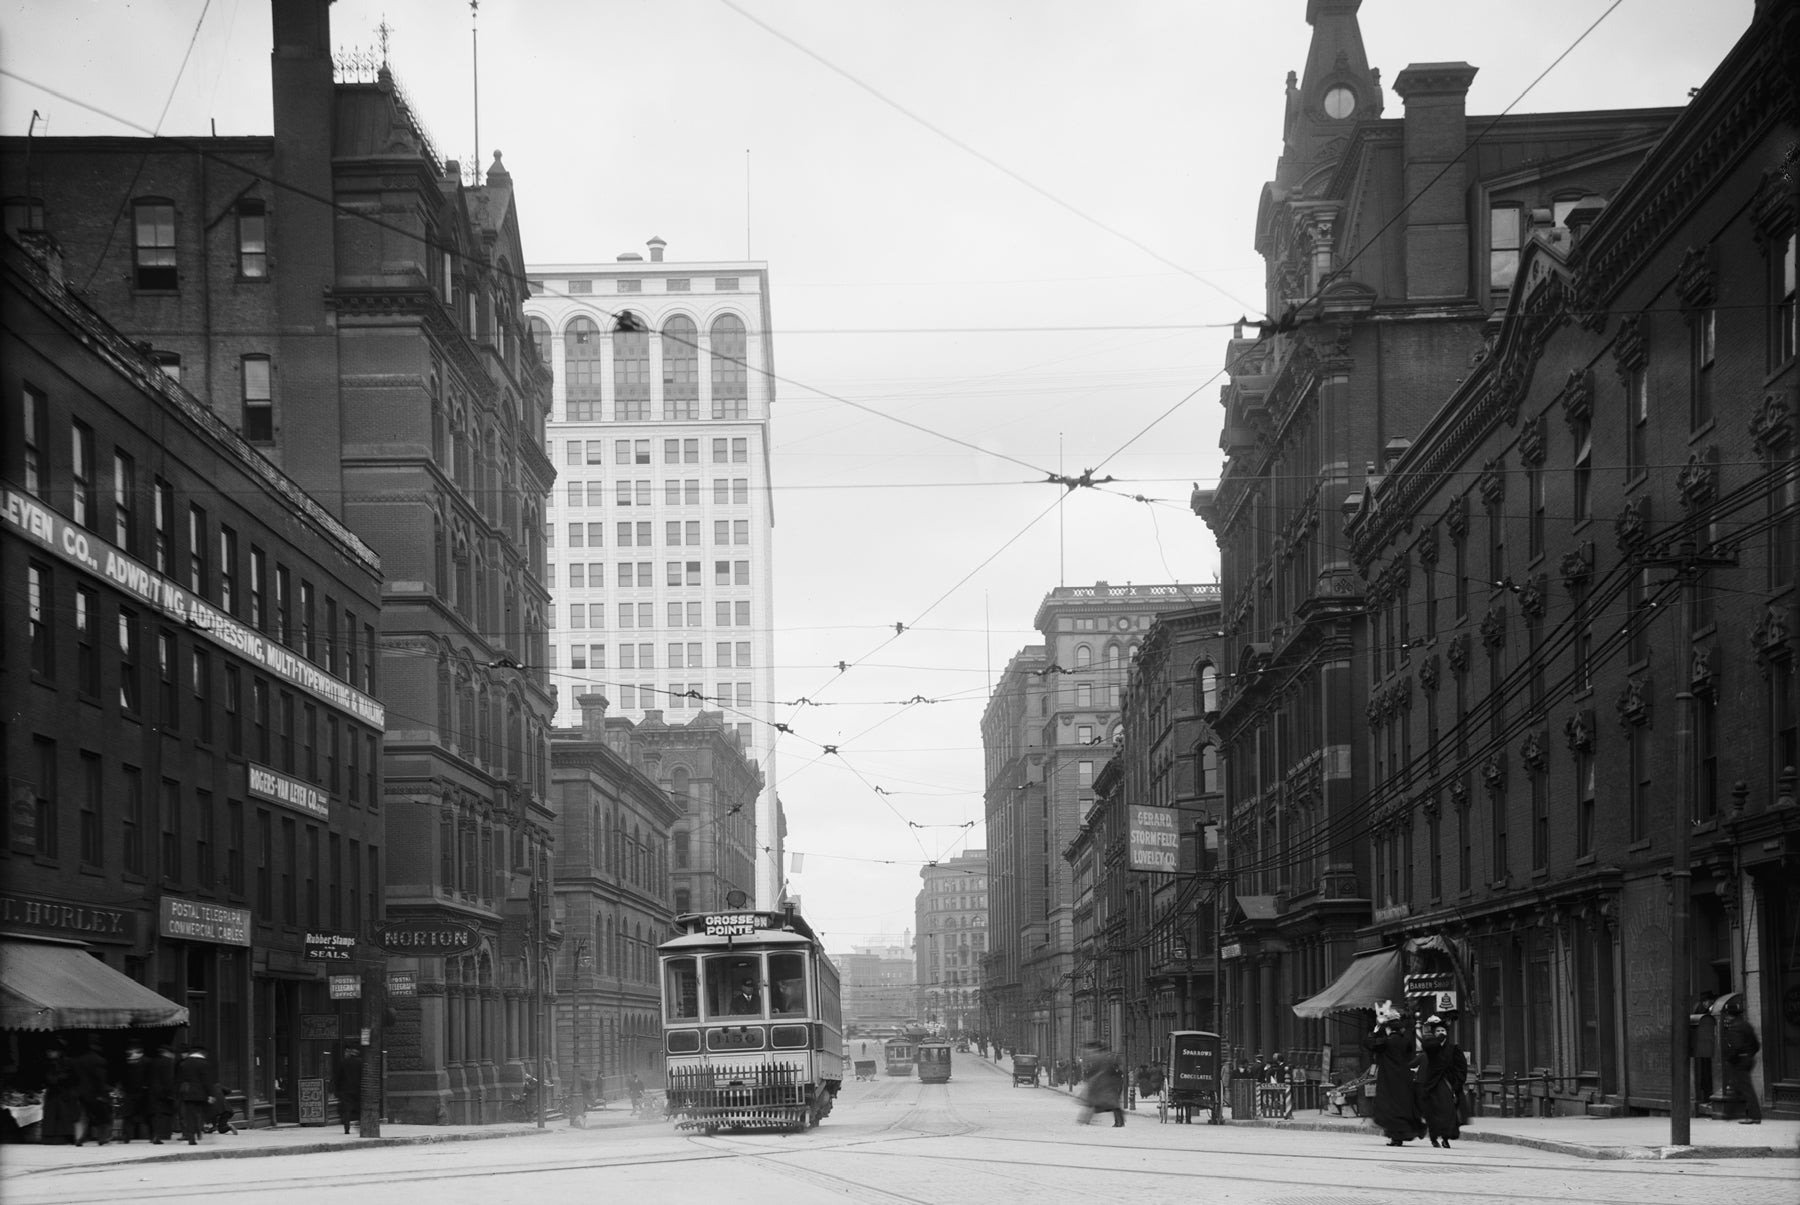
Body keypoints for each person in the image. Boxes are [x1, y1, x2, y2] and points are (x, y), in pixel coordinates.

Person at [1362, 1000, 1424, 1147]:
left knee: (1389, 1107)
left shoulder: (1385, 1042)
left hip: (1389, 1079)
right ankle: (1400, 1135)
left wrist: (1376, 1029)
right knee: (1402, 1106)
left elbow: (1368, 1043)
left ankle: (1395, 1137)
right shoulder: (1406, 1041)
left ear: (1389, 1028)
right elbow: (1411, 1055)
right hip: (1404, 1078)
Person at [1414, 1015, 1468, 1149]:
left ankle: (1445, 1138)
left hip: (1448, 1084)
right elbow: (1428, 1046)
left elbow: (1461, 1068)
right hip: (1433, 1084)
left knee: (1447, 1112)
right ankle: (1433, 1137)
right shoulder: (1431, 1046)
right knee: (1432, 1113)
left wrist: (1457, 1083)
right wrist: (1437, 1040)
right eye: (1437, 1031)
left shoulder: (1453, 1049)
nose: (1440, 1033)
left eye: (1443, 1031)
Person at [1717, 994, 1762, 1124]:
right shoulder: (1746, 1025)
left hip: (1739, 1062)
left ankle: (1754, 1116)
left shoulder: (1735, 1027)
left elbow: (1736, 1047)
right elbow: (1756, 1045)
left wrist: (1731, 1058)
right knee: (1737, 1086)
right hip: (1747, 1060)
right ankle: (1729, 1114)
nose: (1726, 1017)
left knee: (1745, 1088)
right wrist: (1749, 1055)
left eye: (1727, 1014)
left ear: (1730, 1015)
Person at [71, 1038, 112, 1146]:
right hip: (95, 1094)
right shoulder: (100, 1061)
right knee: (102, 1117)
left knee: (85, 1116)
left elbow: (74, 1078)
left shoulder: (78, 1061)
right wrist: (102, 1094)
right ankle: (102, 1138)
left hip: (81, 1093)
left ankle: (81, 1138)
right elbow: (100, 1079)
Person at [1077, 1040, 1125, 1127]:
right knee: (1112, 1104)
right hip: (1107, 1084)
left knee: (1096, 1103)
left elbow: (1094, 1068)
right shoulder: (1109, 1057)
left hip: (1102, 1084)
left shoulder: (1100, 1057)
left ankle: (1085, 1119)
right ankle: (1119, 1121)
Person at [39, 1043, 80, 1145]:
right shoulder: (48, 1063)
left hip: (64, 1092)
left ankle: (63, 1137)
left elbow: (73, 1076)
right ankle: (49, 1137)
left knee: (63, 1115)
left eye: (51, 1051)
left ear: (58, 1052)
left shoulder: (67, 1062)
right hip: (53, 1093)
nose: (48, 1053)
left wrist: (57, 1079)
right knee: (52, 1115)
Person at [174, 1045, 214, 1145]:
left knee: (189, 1115)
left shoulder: (184, 1063)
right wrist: (211, 1094)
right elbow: (207, 1081)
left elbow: (179, 1079)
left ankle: (191, 1136)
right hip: (201, 1093)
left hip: (187, 1092)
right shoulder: (205, 1064)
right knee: (199, 1113)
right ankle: (199, 1130)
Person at [1690, 991, 1718, 1114]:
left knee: (1707, 1072)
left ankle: (1708, 1095)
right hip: (1706, 1045)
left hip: (1704, 1046)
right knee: (1707, 1072)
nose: (1708, 1003)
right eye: (1707, 1001)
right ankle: (1708, 1095)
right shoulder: (1703, 1011)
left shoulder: (1699, 1009)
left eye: (1709, 1001)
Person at [118, 1043, 150, 1143]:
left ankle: (127, 1136)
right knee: (133, 1116)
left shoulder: (143, 1062)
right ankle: (126, 1136)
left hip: (137, 1093)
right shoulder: (131, 1063)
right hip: (135, 1093)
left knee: (133, 1116)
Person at [147, 1044, 178, 1144]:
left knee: (154, 1115)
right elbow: (168, 1079)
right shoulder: (168, 1062)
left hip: (152, 1091)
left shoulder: (154, 1061)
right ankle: (158, 1135)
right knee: (161, 1115)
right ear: (168, 1053)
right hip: (163, 1093)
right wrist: (170, 1093)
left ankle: (153, 1135)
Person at [334, 1045, 364, 1135]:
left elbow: (338, 1077)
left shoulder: (343, 1062)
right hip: (357, 1089)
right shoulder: (361, 1062)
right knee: (359, 1109)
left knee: (346, 1110)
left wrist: (337, 1089)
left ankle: (346, 1129)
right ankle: (360, 1126)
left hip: (345, 1090)